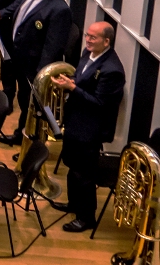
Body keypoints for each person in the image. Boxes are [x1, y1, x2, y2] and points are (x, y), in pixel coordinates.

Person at [53, 22, 126, 232]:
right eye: (87, 35)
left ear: (106, 41)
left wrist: (72, 88)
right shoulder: (88, 53)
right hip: (76, 122)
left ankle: (86, 217)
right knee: (72, 167)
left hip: (90, 130)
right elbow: (83, 78)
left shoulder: (112, 70)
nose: (88, 40)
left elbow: (100, 105)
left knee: (83, 174)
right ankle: (74, 204)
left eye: (93, 37)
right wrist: (72, 80)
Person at [0, 0, 71, 142]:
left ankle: (29, 143)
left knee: (31, 107)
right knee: (24, 104)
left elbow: (52, 48)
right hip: (17, 59)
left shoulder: (59, 9)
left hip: (32, 70)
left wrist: (39, 78)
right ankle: (20, 134)